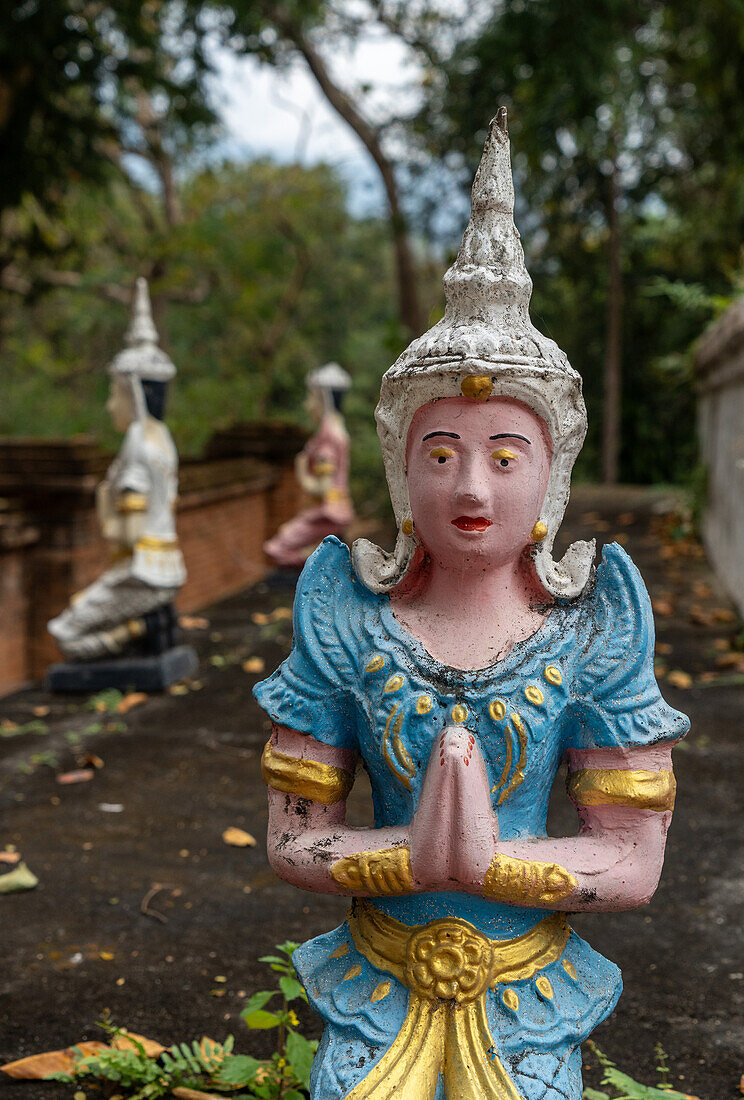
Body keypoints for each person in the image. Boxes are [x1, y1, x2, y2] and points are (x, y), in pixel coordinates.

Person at [254, 112, 688, 1100]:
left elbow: (632, 861)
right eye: (441, 453)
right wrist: (416, 853)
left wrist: (492, 866)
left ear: (554, 480)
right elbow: (291, 836)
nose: (473, 491)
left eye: (506, 456)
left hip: (528, 981)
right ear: (402, 473)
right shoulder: (346, 619)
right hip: (378, 973)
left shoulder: (591, 629)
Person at [48, 279, 186, 661]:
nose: (110, 406)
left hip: (141, 571)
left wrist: (106, 515)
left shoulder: (137, 444)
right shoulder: (164, 439)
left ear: (134, 393)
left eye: (114, 393)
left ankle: (143, 627)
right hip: (166, 566)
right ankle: (149, 624)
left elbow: (128, 530)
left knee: (63, 634)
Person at [264, 362, 354, 569]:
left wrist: (301, 471)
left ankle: (318, 568)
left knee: (277, 548)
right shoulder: (339, 432)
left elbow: (323, 487)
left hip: (328, 510)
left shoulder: (328, 437)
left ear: (323, 399)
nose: (307, 404)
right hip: (336, 508)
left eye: (311, 397)